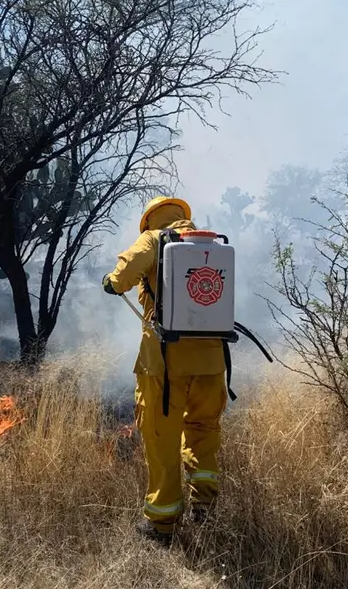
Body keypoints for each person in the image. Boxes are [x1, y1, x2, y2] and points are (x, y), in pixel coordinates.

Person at [102, 196, 228, 546]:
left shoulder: (155, 238)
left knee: (162, 440)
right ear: (183, 216)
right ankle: (204, 505)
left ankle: (162, 522)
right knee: (203, 432)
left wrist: (111, 282)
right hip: (213, 364)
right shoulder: (211, 245)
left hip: (165, 367)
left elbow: (125, 274)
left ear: (151, 220)